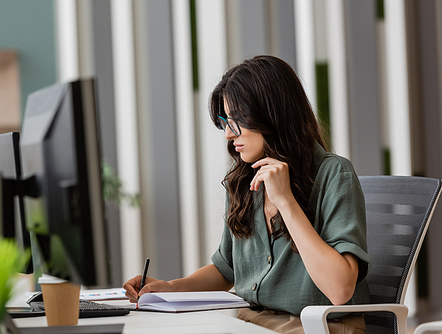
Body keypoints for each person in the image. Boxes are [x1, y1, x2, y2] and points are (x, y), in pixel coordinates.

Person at [124, 55, 370, 334]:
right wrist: (169, 288)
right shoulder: (245, 181)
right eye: (224, 121)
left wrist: (286, 202)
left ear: (272, 114)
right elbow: (226, 268)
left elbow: (340, 289)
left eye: (237, 120)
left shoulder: (333, 174)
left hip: (316, 327)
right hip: (248, 322)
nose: (228, 134)